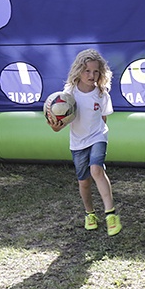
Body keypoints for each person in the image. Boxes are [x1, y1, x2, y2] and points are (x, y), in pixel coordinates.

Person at [46, 48, 121, 236]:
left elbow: (103, 119)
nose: (92, 75)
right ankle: (90, 214)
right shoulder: (68, 94)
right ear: (79, 70)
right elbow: (60, 124)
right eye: (87, 71)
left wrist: (100, 135)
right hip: (78, 142)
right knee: (84, 182)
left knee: (97, 169)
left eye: (96, 71)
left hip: (97, 136)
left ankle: (111, 215)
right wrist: (55, 125)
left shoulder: (101, 93)